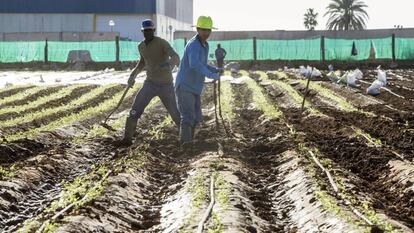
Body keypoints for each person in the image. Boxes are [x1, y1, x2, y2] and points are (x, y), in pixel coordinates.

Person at [115, 19, 180, 147]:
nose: (148, 33)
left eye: (150, 30)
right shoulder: (141, 46)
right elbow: (142, 62)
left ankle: (185, 138)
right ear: (142, 32)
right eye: (145, 31)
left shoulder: (162, 43)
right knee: (135, 110)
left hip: (166, 85)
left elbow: (176, 57)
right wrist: (133, 75)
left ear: (154, 31)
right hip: (150, 83)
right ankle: (127, 138)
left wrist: (167, 65)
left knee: (174, 112)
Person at [175, 16, 222, 145]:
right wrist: (211, 75)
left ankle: (190, 143)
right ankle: (185, 145)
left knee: (196, 118)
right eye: (203, 30)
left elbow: (202, 63)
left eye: (208, 30)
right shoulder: (194, 45)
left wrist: (214, 69)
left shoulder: (205, 45)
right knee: (188, 117)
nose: (206, 33)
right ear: (197, 29)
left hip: (195, 86)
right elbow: (194, 64)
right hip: (185, 86)